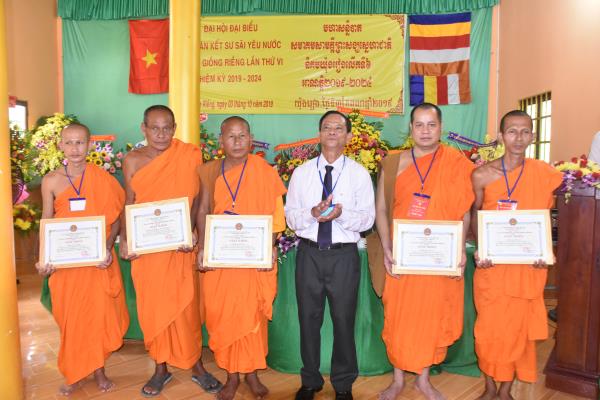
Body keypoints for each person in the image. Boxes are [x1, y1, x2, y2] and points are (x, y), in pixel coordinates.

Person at [120, 105, 222, 397]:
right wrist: (126, 239)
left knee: (186, 307)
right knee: (154, 307)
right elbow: (130, 201)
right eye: (154, 128)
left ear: (174, 128)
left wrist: (194, 231)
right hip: (149, 250)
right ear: (144, 129)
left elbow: (199, 200)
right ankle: (160, 367)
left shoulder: (189, 155)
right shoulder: (133, 160)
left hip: (180, 244)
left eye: (167, 128)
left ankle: (196, 365)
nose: (161, 134)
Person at [376, 103, 474, 400]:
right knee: (399, 317)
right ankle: (397, 380)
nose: (425, 131)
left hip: (438, 257)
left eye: (431, 124)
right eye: (419, 124)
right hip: (403, 257)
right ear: (411, 128)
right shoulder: (393, 163)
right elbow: (381, 209)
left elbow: (464, 211)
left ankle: (423, 380)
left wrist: (459, 248)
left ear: (440, 128)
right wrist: (387, 246)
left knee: (431, 317)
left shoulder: (456, 163)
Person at [471, 110, 563, 400]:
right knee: (489, 330)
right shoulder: (482, 175)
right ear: (501, 136)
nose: (518, 138)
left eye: (525, 132)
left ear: (532, 136)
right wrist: (480, 248)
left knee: (519, 332)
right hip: (493, 267)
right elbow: (474, 214)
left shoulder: (544, 174)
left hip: (528, 267)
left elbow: (554, 213)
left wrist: (544, 250)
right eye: (512, 131)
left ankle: (505, 390)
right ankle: (489, 387)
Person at [286, 110, 375, 400]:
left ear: (348, 135)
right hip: (309, 255)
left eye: (338, 127)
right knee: (308, 319)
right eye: (327, 127)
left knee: (343, 320)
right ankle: (310, 381)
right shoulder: (301, 173)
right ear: (319, 134)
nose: (332, 132)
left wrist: (341, 215)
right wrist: (312, 213)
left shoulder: (359, 174)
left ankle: (343, 383)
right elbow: (290, 217)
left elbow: (368, 219)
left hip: (343, 257)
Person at [196, 116, 287, 400]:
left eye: (242, 135)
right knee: (224, 315)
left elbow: (276, 215)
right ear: (221, 140)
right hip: (221, 258)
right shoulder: (209, 171)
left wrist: (269, 246)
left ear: (251, 138)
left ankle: (252, 373)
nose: (237, 141)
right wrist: (203, 247)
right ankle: (231, 376)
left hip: (252, 258)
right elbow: (202, 210)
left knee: (252, 314)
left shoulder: (265, 172)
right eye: (231, 136)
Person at [37, 123, 129, 395]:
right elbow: (46, 219)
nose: (75, 148)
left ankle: (99, 370)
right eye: (69, 142)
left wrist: (107, 247)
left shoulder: (103, 179)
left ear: (90, 145)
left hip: (96, 262)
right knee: (72, 319)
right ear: (60, 145)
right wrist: (43, 257)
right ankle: (74, 372)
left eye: (80, 142)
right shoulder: (51, 180)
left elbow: (117, 216)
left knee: (97, 317)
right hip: (66, 265)